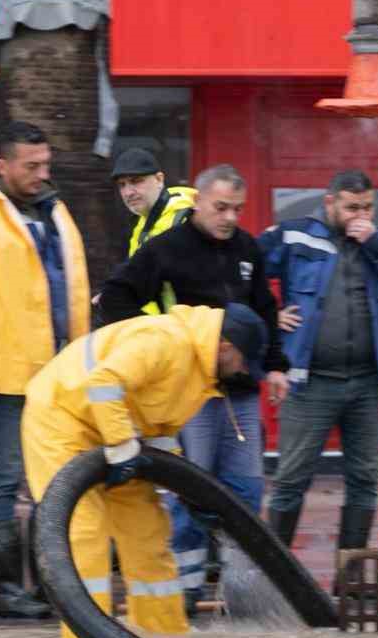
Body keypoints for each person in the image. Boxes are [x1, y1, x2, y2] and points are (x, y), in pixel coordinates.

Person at [97, 164, 289, 608]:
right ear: (198, 201)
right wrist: (154, 339)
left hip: (239, 388)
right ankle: (182, 589)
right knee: (189, 486)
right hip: (189, 391)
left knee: (246, 490)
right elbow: (115, 295)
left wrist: (276, 365)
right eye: (220, 208)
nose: (229, 218)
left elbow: (264, 307)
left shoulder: (246, 249)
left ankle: (242, 591)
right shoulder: (169, 247)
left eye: (237, 210)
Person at [22, 303, 268, 638]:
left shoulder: (199, 374)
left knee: (149, 535)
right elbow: (104, 381)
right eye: (243, 361)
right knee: (84, 533)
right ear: (226, 345)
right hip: (62, 421)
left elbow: (161, 432)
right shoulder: (165, 340)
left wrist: (188, 489)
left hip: (118, 437)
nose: (243, 372)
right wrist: (122, 446)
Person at [0, 122, 90, 619]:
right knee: (4, 483)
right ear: (2, 166)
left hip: (60, 374)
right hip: (7, 380)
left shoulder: (53, 210)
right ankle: (8, 590)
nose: (42, 174)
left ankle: (50, 584)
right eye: (32, 166)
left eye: (46, 164)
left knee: (55, 481)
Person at [260, 170, 378, 565]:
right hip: (311, 381)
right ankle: (276, 578)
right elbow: (241, 271)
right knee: (290, 480)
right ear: (330, 202)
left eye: (367, 207)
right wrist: (268, 316)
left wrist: (376, 243)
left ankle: (349, 579)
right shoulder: (295, 234)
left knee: (365, 483)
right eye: (352, 207)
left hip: (370, 385)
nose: (360, 215)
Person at [109, 148, 196, 313]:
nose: (128, 192)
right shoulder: (142, 223)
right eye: (122, 185)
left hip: (180, 331)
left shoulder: (185, 219)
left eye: (136, 181)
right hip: (156, 330)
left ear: (159, 179)